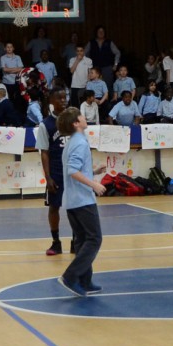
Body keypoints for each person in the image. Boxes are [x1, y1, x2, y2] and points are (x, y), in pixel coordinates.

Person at [56, 107, 107, 297]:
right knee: (94, 239)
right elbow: (72, 171)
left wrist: (93, 171)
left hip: (71, 200)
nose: (84, 118)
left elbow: (75, 169)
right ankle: (71, 276)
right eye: (81, 116)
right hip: (82, 199)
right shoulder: (80, 144)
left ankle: (85, 281)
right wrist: (94, 184)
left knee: (82, 240)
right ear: (76, 123)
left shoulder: (71, 143)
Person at [37, 88, 69, 256]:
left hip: (73, 172)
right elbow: (44, 152)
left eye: (65, 97)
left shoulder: (74, 120)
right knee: (54, 207)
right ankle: (56, 242)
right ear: (52, 101)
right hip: (56, 172)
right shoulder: (46, 124)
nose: (63, 100)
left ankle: (75, 240)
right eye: (60, 98)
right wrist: (47, 177)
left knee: (75, 208)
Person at [86, 25, 120, 92]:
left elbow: (117, 53)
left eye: (102, 31)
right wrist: (87, 65)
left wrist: (115, 64)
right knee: (95, 87)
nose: (101, 33)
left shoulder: (109, 42)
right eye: (99, 31)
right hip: (95, 69)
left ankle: (108, 102)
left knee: (108, 87)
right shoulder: (91, 42)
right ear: (96, 32)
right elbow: (85, 53)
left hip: (107, 68)